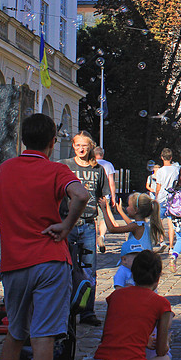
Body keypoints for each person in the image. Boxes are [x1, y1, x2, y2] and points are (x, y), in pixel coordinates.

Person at [0, 113, 89, 360]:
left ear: (23, 140)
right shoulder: (56, 170)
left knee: (15, 333)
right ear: (51, 141)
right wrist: (66, 225)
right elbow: (81, 195)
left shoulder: (5, 169)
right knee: (43, 337)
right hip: (50, 259)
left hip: (14, 262)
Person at [86, 250, 173, 360]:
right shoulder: (161, 303)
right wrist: (166, 340)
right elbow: (161, 350)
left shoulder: (116, 296)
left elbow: (108, 336)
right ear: (158, 278)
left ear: (133, 273)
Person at [61, 131, 110, 327]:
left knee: (89, 269)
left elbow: (102, 197)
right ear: (73, 146)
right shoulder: (64, 166)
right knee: (66, 267)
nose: (81, 149)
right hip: (68, 222)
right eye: (78, 145)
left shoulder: (97, 169)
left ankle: (87, 311)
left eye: (85, 146)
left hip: (88, 224)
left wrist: (105, 220)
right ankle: (65, 309)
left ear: (91, 147)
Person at [155, 148, 180, 253]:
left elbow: (158, 186)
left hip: (162, 197)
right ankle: (171, 246)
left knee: (159, 221)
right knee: (171, 223)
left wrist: (156, 197)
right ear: (171, 157)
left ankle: (162, 241)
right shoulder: (176, 170)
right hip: (173, 198)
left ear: (161, 157)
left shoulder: (160, 171)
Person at [93, 147, 118, 252]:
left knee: (93, 219)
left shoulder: (91, 164)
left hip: (92, 195)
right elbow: (111, 182)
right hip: (104, 195)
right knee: (103, 217)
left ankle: (93, 242)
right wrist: (113, 196)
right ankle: (102, 236)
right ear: (102, 154)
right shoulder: (108, 165)